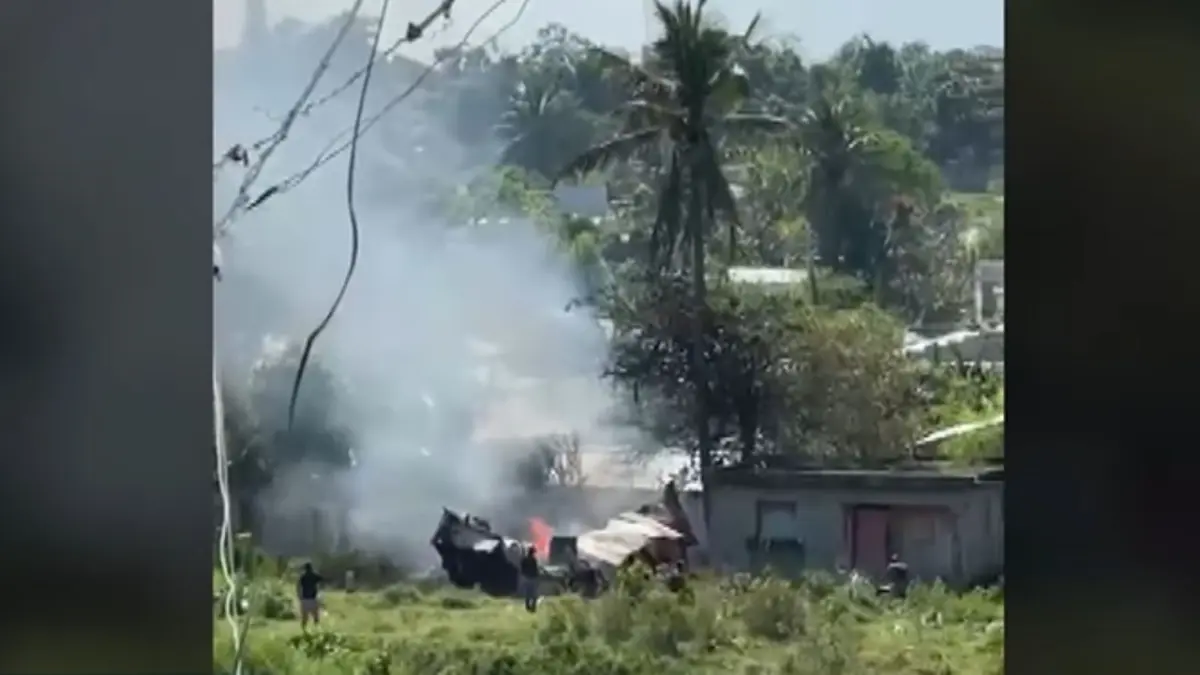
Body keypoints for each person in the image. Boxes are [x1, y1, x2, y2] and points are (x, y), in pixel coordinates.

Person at [297, 562, 324, 630]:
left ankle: (304, 630)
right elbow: (322, 579)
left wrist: (299, 595)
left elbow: (299, 586)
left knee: (304, 617)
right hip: (313, 598)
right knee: (316, 616)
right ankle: (317, 629)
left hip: (305, 598)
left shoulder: (303, 576)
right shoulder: (314, 575)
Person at [519, 545, 541, 613]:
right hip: (533, 578)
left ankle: (527, 607)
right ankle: (533, 607)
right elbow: (536, 569)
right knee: (534, 594)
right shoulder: (533, 560)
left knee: (528, 593)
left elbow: (522, 569)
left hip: (526, 578)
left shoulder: (524, 559)